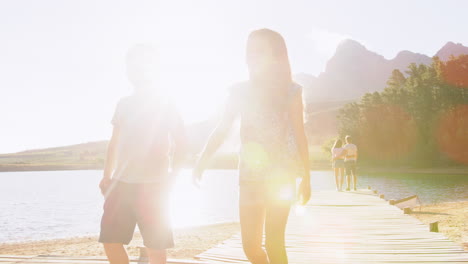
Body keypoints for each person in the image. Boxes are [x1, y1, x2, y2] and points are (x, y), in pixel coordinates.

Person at [192, 28, 311, 264]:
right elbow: (223, 128)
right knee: (250, 247)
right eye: (250, 51)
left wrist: (306, 178)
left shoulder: (292, 91)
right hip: (249, 175)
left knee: (275, 242)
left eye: (259, 50)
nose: (252, 55)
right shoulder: (239, 91)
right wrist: (203, 159)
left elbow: (300, 134)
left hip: (282, 174)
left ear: (276, 54)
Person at [98, 44, 186, 264]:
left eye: (142, 65)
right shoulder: (123, 104)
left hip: (154, 184)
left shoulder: (166, 101)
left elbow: (182, 143)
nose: (136, 70)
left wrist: (172, 179)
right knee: (110, 240)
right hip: (121, 183)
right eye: (131, 66)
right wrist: (107, 175)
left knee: (156, 246)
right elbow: (114, 143)